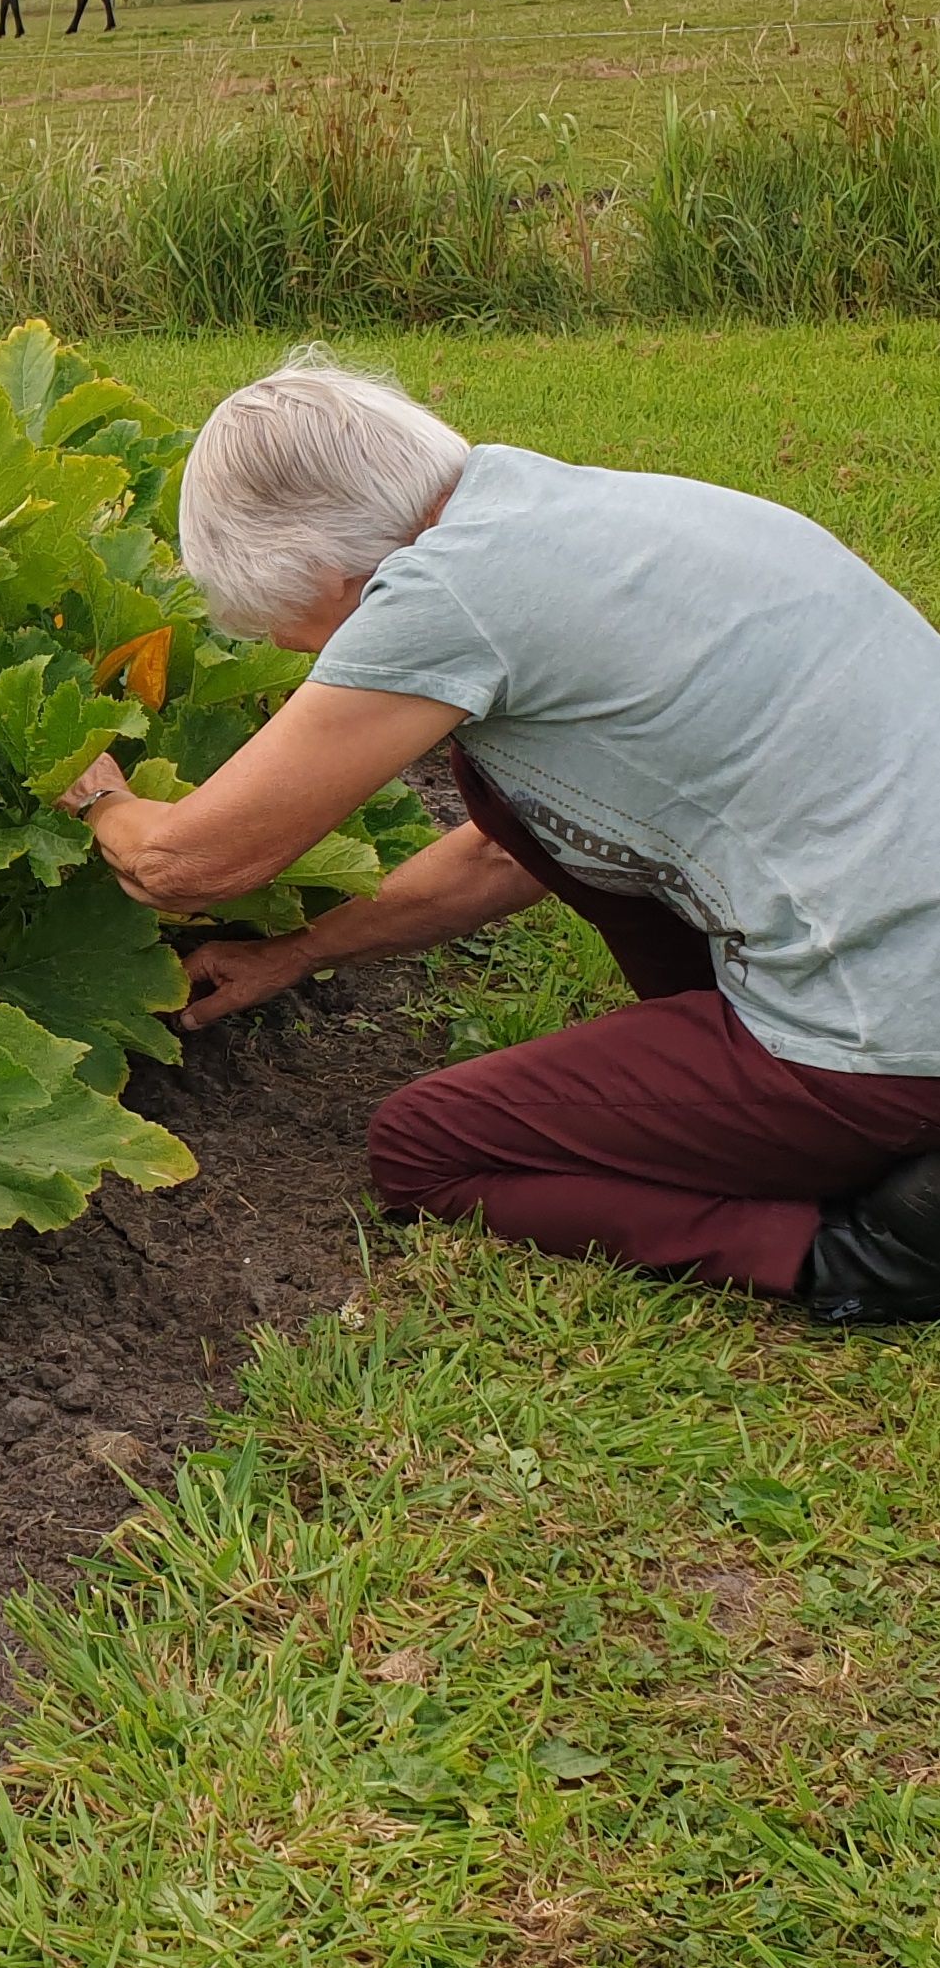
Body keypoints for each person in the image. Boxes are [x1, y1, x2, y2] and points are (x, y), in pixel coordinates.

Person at [53, 348, 940, 1326]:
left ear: (329, 569)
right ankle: (782, 1100)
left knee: (427, 1146)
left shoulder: (441, 596)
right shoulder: (562, 510)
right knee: (495, 786)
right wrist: (294, 953)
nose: (297, 657)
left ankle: (868, 1252)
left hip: (883, 1030)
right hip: (905, 956)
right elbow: (505, 853)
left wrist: (95, 796)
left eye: (293, 630)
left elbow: (189, 863)